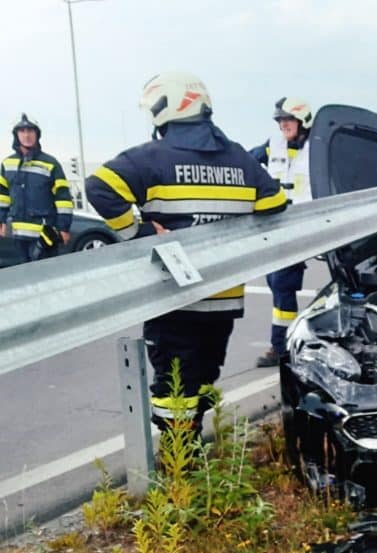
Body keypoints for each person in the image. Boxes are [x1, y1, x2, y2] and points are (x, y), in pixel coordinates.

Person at [86, 71, 287, 432]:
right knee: (203, 381)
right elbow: (275, 203)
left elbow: (99, 186)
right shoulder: (240, 159)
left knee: (172, 390)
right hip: (223, 299)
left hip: (173, 299)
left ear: (163, 107)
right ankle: (193, 444)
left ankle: (180, 464)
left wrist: (138, 233)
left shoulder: (153, 158)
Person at [250, 96, 314, 367]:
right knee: (277, 284)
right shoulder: (272, 145)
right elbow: (247, 163)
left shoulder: (318, 148)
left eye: (288, 119)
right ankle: (286, 345)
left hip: (310, 224)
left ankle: (283, 348)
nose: (283, 125)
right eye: (280, 120)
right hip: (279, 227)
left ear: (303, 121)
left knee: (282, 284)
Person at [0, 114, 73, 264]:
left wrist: (64, 227)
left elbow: (63, 198)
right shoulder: (7, 163)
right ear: (16, 135)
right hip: (16, 235)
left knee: (47, 278)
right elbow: (3, 196)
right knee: (22, 280)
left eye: (31, 131)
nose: (27, 135)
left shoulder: (51, 164)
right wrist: (1, 221)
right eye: (22, 131)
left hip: (44, 236)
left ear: (37, 135)